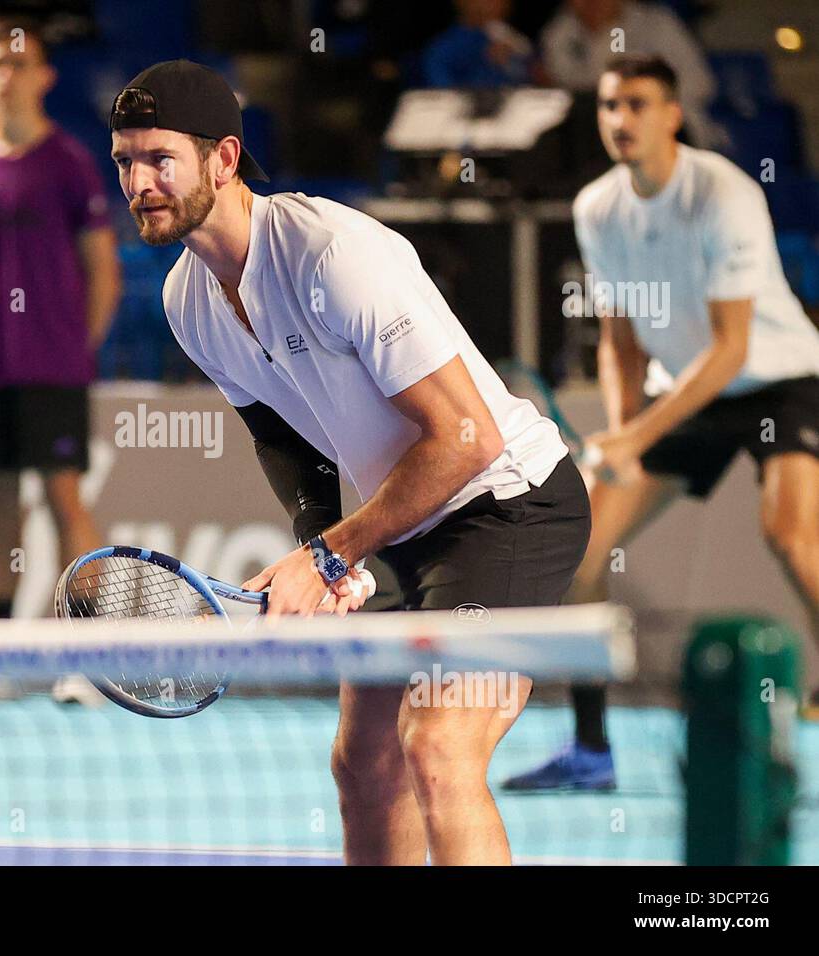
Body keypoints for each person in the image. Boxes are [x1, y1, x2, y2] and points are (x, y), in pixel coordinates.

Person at [109, 59, 590, 864]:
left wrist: (333, 552)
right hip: (403, 519)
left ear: (223, 159)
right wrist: (319, 542)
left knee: (438, 747)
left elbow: (469, 438)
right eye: (124, 161)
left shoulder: (332, 254)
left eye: (160, 158)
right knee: (364, 763)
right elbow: (284, 439)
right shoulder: (186, 300)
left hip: (506, 506)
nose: (139, 181)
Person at [503, 55, 819, 792]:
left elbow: (731, 345)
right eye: (611, 106)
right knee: (580, 548)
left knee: (790, 533)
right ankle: (589, 752)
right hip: (684, 393)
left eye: (638, 104)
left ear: (672, 114)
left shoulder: (723, 192)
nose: (621, 119)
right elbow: (619, 338)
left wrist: (639, 436)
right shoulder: (597, 208)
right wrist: (619, 431)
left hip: (779, 381)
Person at [0, 18, 121, 704]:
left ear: (45, 76)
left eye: (19, 63)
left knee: (64, 500)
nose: (6, 75)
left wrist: (72, 345)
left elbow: (104, 269)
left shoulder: (68, 162)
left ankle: (90, 660)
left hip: (52, 368)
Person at [540, 0, 719, 147]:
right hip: (594, 137)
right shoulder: (560, 32)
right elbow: (573, 90)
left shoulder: (657, 24)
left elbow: (699, 83)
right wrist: (602, 35)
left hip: (668, 130)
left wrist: (648, 103)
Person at [422, 0, 535, 89]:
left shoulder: (517, 42)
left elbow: (535, 85)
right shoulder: (443, 49)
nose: (496, 4)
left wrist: (512, 64)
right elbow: (443, 94)